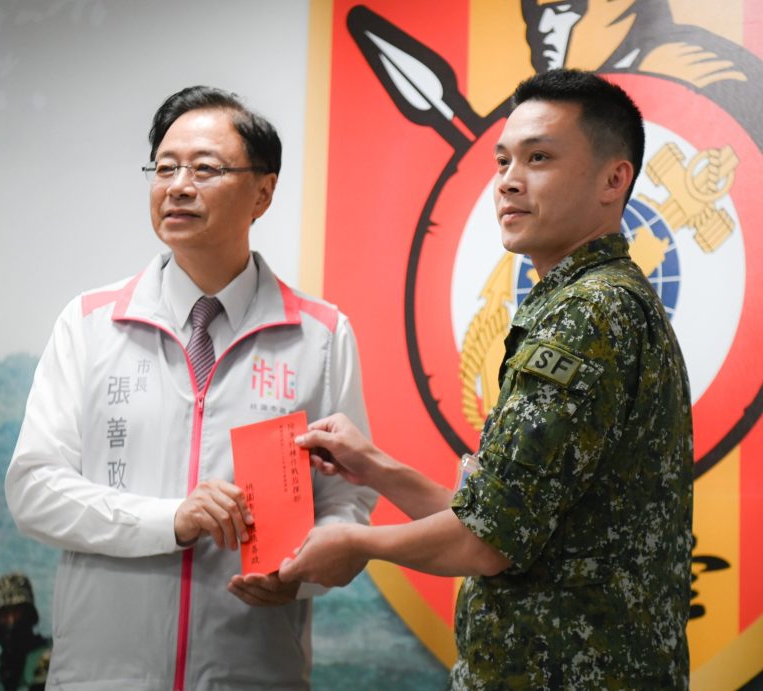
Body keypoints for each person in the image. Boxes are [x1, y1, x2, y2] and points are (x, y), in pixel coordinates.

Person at [279, 69, 693, 689]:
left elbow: (484, 544)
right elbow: (500, 520)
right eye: (503, 160)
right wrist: (375, 468)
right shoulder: (598, 300)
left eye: (539, 158)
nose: (508, 181)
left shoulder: (587, 312)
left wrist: (357, 543)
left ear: (614, 180)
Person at [5, 86, 376, 690]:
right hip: (103, 677)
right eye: (165, 168)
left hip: (252, 674)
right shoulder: (90, 323)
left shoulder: (321, 336)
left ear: (263, 193)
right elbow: (33, 488)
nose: (177, 186)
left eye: (204, 169)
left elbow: (347, 503)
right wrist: (170, 519)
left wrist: (300, 574)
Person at [0, 572, 52, 691]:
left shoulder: (55, 652)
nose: (11, 621)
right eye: (4, 615)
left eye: (17, 613)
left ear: (29, 616)